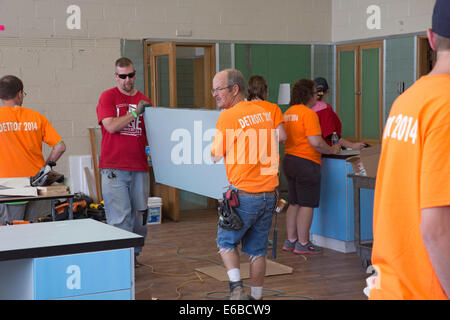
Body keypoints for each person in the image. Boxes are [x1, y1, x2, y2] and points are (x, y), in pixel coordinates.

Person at [368, 0, 450, 300]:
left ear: (430, 38)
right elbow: (436, 228)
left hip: (391, 286)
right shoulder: (446, 107)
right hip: (428, 290)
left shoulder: (408, 100)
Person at [211, 69, 278, 300]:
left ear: (235, 89)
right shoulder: (264, 113)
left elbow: (216, 154)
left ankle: (236, 289)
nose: (215, 94)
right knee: (258, 251)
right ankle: (256, 300)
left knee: (226, 242)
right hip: (268, 194)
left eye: (219, 89)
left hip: (244, 194)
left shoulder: (227, 117)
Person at [96, 57, 152, 265]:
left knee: (140, 217)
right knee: (120, 218)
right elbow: (110, 126)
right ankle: (121, 260)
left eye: (130, 75)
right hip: (114, 168)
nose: (127, 80)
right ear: (116, 76)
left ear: (135, 74)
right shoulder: (108, 97)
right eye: (122, 76)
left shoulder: (145, 100)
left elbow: (151, 134)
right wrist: (135, 112)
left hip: (139, 167)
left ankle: (133, 255)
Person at [282, 79, 340, 255]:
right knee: (307, 204)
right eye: (315, 93)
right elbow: (316, 142)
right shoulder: (308, 114)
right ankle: (304, 243)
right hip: (306, 162)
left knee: (294, 203)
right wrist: (331, 149)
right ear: (307, 95)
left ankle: (291, 240)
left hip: (289, 160)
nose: (317, 96)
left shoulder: (288, 113)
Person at [0, 75, 66, 224]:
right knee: (38, 234)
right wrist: (45, 168)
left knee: (9, 236)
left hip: (7, 190)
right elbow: (60, 147)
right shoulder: (37, 118)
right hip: (36, 186)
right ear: (19, 94)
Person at [313, 77, 366, 150]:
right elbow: (331, 136)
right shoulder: (324, 109)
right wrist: (352, 145)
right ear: (327, 91)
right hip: (325, 151)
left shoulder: (307, 107)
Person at [247, 75, 287, 142]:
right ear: (265, 90)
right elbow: (282, 136)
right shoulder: (273, 108)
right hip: (269, 151)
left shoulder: (241, 108)